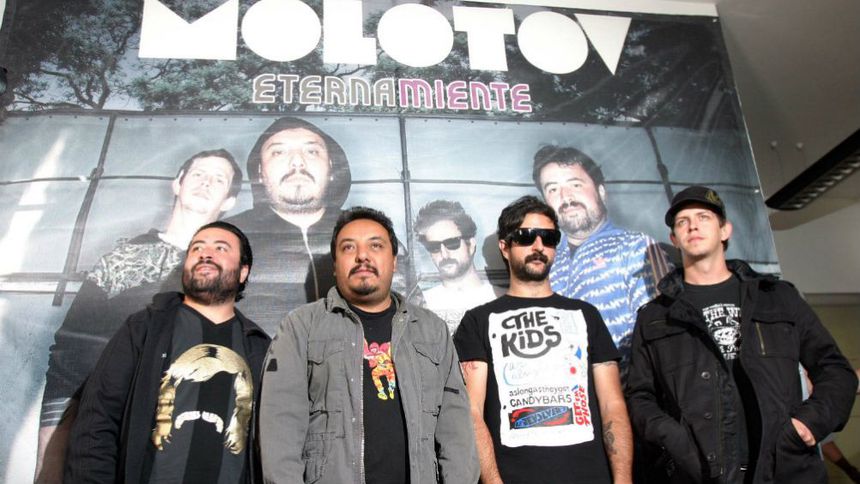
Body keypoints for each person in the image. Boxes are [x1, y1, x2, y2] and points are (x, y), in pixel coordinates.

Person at [626, 185, 858, 483]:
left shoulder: (777, 298)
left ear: (725, 230)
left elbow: (835, 370)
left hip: (783, 469)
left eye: (704, 217)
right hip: (700, 474)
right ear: (674, 239)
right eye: (682, 221)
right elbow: (640, 397)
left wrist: (808, 423)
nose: (693, 225)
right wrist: (675, 440)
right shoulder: (655, 317)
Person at [36, 149, 242, 483]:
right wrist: (51, 454)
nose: (206, 183)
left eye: (219, 179)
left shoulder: (229, 275)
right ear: (177, 183)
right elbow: (69, 353)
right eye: (198, 174)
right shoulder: (120, 259)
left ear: (230, 200)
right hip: (107, 438)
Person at [259, 207, 478, 483]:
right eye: (349, 247)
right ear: (335, 265)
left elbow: (456, 430)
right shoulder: (301, 327)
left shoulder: (431, 330)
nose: (362, 256)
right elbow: (280, 430)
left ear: (394, 261)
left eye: (375, 245)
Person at [64, 221, 270, 483]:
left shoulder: (258, 348)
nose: (205, 254)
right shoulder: (145, 328)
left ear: (243, 272)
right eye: (197, 248)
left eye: (220, 248)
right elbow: (98, 419)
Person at [454, 195, 633, 484]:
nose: (539, 246)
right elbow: (471, 412)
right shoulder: (478, 321)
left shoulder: (586, 315)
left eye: (549, 238)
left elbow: (612, 404)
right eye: (526, 236)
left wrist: (623, 479)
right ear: (505, 247)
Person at [225, 117, 418, 334]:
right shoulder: (227, 239)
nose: (297, 162)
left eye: (312, 151)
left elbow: (413, 318)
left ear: (332, 168)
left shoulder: (372, 234)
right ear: (260, 171)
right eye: (278, 152)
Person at [532, 145, 671, 365]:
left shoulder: (637, 247)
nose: (566, 197)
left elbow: (666, 338)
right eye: (552, 189)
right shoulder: (546, 266)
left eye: (575, 184)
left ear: (601, 192)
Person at [413, 199, 500, 333]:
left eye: (452, 243)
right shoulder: (421, 304)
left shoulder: (498, 297)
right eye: (434, 247)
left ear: (471, 245)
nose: (444, 254)